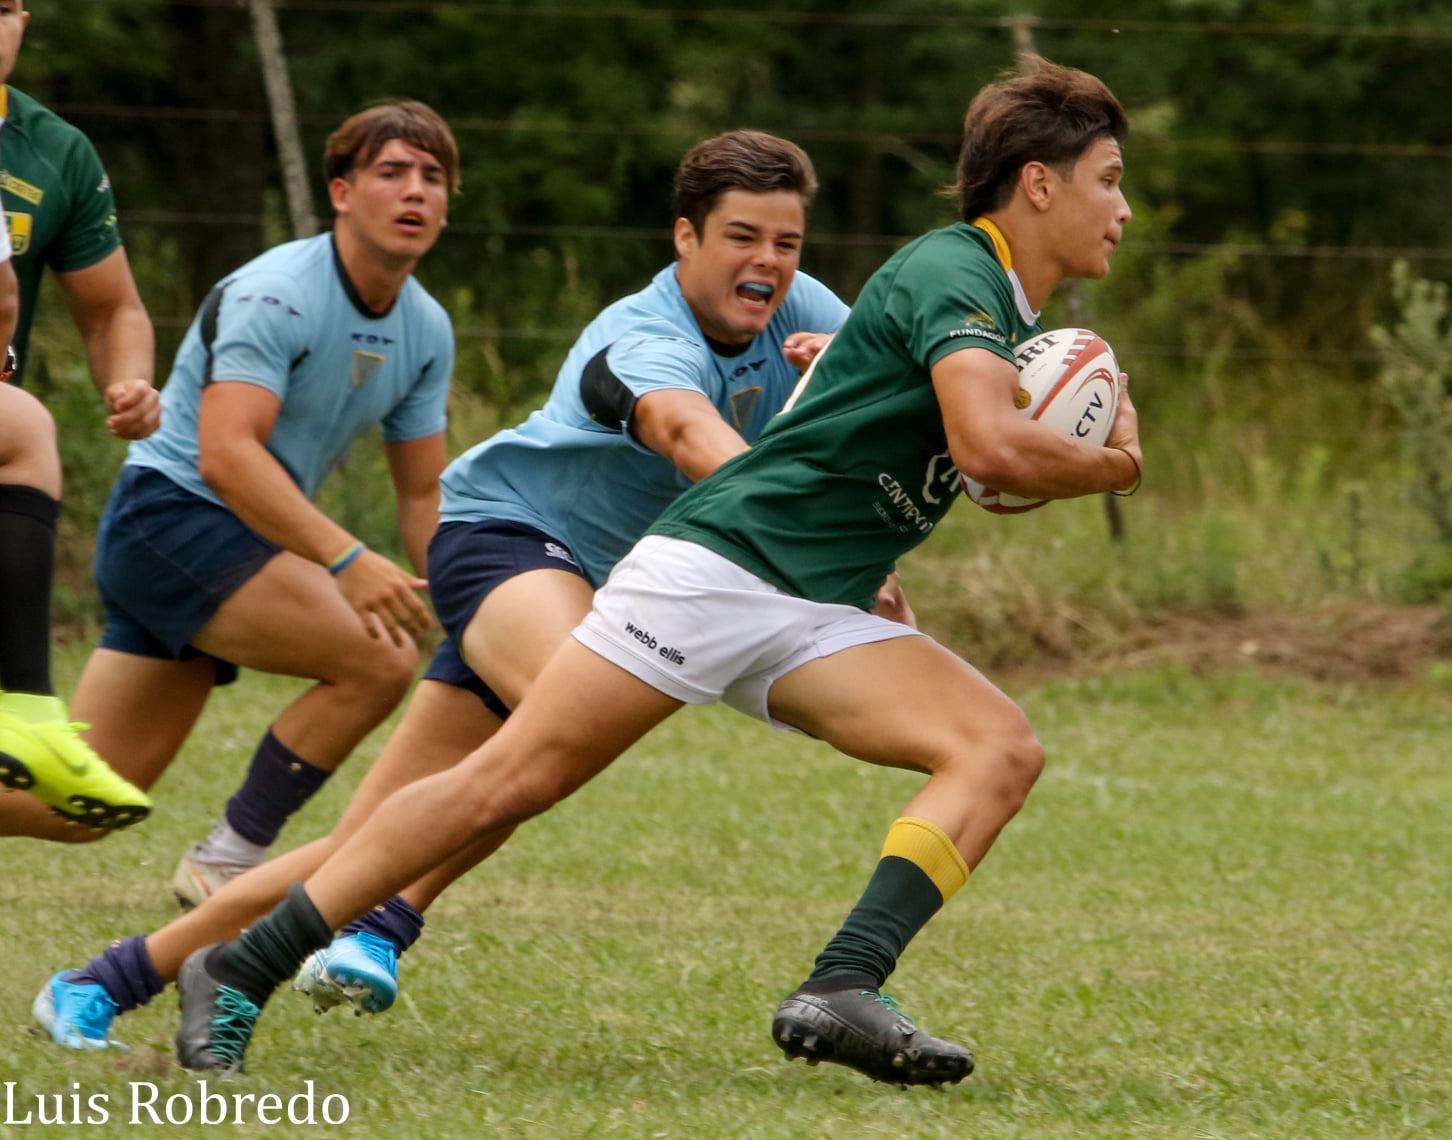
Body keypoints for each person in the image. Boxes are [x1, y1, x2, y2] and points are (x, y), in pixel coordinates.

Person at [169, 60, 1140, 1085]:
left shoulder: (1002, 313)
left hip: (813, 602)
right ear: (1038, 182)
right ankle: (239, 964)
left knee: (995, 748)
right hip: (718, 570)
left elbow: (980, 464)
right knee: (510, 779)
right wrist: (1115, 461)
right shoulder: (956, 271)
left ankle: (841, 986)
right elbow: (990, 451)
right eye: (1108, 178)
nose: (1121, 207)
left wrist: (1043, 458)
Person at [33, 129, 859, 1048]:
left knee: (372, 840)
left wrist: (866, 426)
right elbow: (694, 438)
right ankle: (386, 924)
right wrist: (804, 530)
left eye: (785, 243)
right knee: (561, 731)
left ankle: (107, 979)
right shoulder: (643, 333)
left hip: (592, 585)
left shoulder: (806, 311)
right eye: (743, 236)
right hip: (510, 542)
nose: (768, 262)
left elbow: (883, 397)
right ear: (684, 238)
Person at [0, 100, 459, 908]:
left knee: (80, 806)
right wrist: (346, 559)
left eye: (433, 177)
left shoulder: (427, 327)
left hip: (236, 538)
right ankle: (228, 861)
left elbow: (422, 493)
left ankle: (222, 855)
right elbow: (226, 453)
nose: (415, 191)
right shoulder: (276, 292)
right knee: (378, 657)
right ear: (343, 192)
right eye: (392, 172)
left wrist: (474, 615)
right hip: (173, 517)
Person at [0, 0, 159, 830]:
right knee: (25, 429)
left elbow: (112, 309)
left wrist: (129, 383)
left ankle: (25, 716)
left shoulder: (53, 148)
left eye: (3, 9)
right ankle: (25, 709)